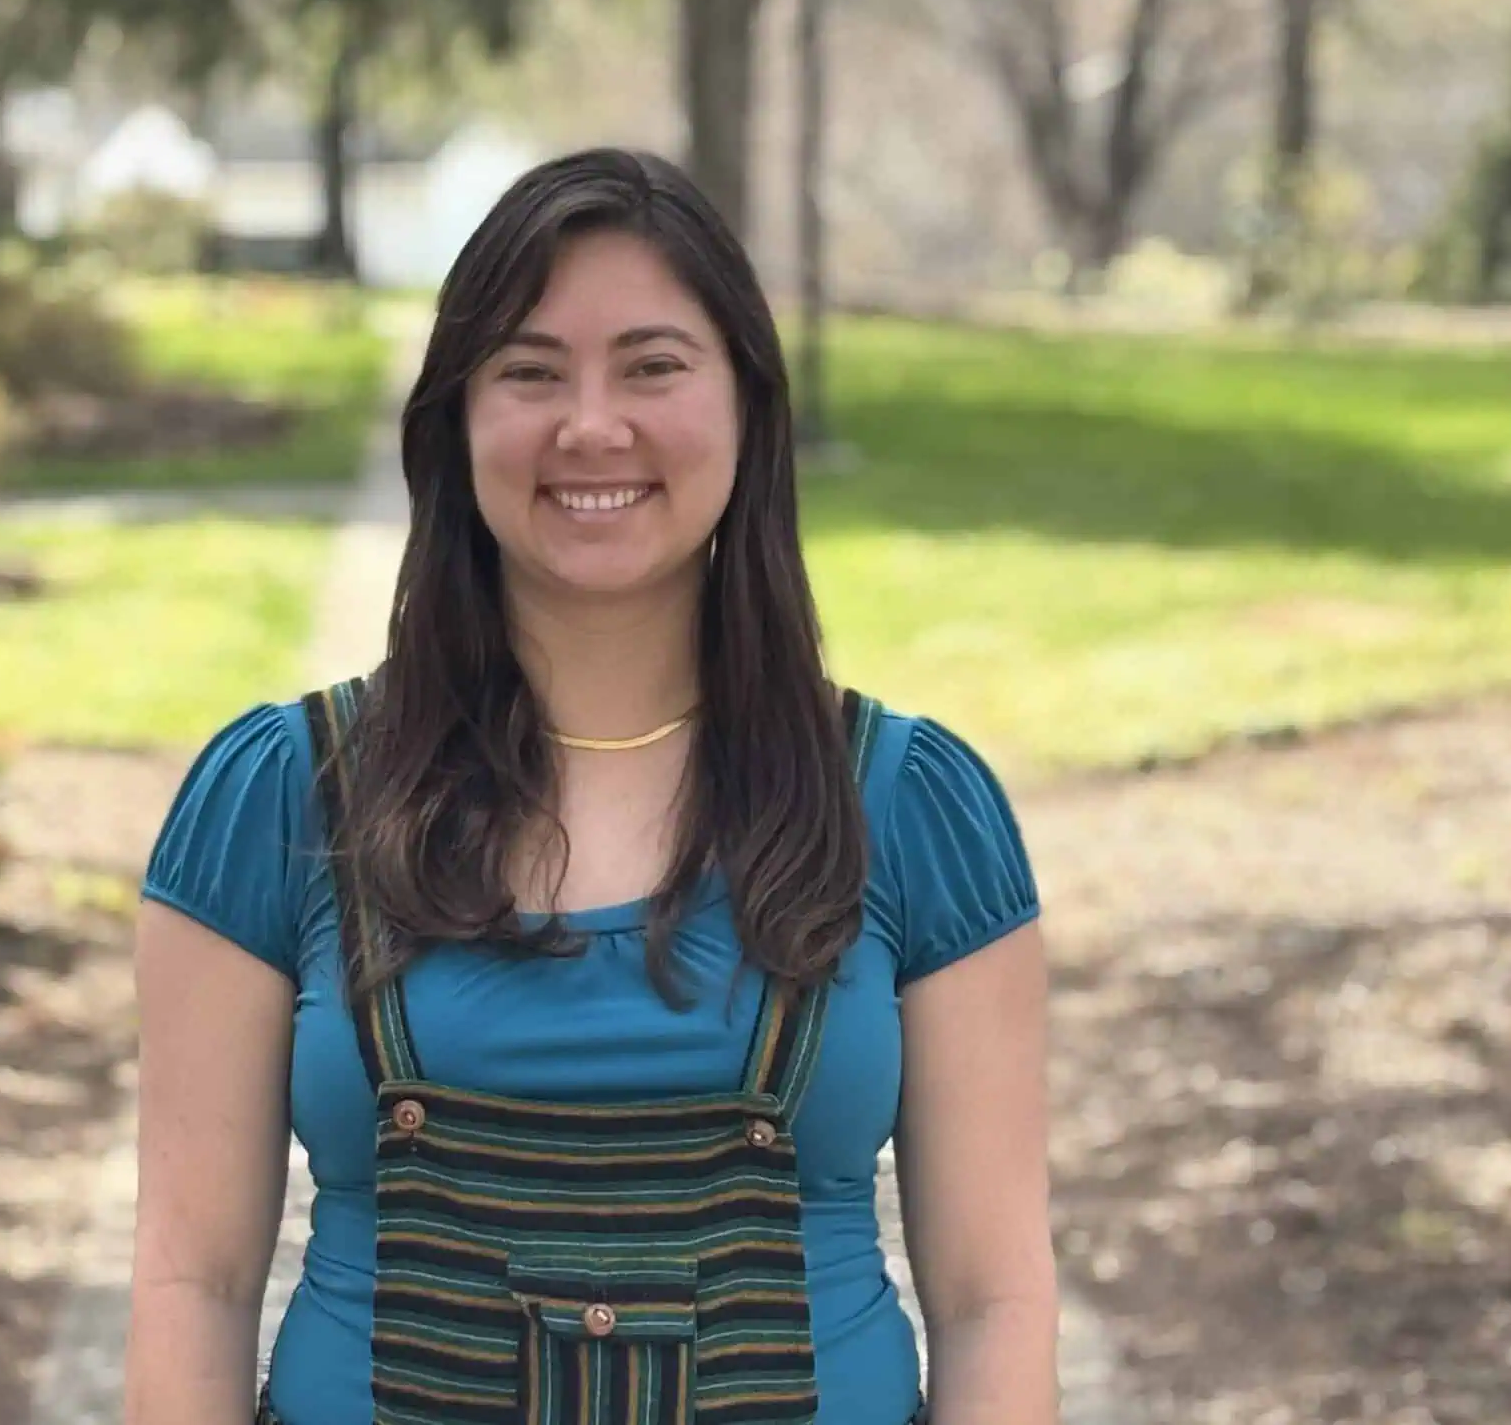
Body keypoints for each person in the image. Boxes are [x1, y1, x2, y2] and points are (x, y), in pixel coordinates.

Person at [126, 147, 1057, 1425]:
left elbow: (994, 1299)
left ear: (748, 407)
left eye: (652, 366)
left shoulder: (909, 809)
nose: (592, 426)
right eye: (530, 371)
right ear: (456, 421)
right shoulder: (280, 798)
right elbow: (194, 1281)